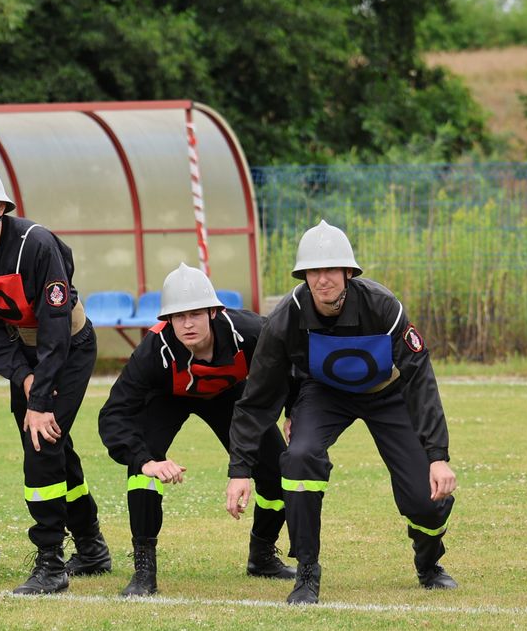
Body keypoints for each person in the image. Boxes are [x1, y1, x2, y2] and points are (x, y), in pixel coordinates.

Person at [226, 221, 458, 605]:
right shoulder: (286, 317)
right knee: (299, 458)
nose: (322, 279)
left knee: (425, 498)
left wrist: (437, 456)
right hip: (324, 396)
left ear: (348, 272)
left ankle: (429, 563)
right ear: (304, 276)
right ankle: (306, 574)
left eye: (331, 270)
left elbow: (420, 378)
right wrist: (239, 470)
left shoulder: (383, 307)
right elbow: (258, 397)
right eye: (313, 272)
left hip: (388, 394)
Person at [0, 159, 111, 595]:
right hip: (25, 356)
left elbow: (55, 324)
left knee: (42, 442)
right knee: (52, 443)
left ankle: (51, 562)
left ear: (1, 207)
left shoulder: (35, 244)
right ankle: (91, 547)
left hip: (68, 347)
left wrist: (39, 395)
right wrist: (23, 375)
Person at [98, 263, 296, 597]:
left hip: (231, 397)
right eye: (178, 317)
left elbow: (291, 362)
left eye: (195, 314)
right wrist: (144, 459)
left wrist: (294, 412)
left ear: (213, 312)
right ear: (167, 320)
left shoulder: (249, 331)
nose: (188, 324)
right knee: (141, 469)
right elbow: (113, 414)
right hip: (168, 398)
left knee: (278, 472)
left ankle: (262, 555)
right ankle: (144, 571)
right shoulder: (151, 352)